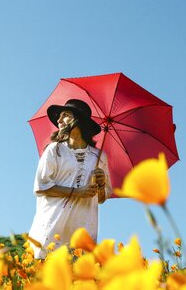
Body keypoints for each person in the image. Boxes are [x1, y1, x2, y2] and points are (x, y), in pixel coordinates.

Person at [28, 99, 112, 259]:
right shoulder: (55, 150)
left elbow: (102, 198)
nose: (59, 120)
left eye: (65, 115)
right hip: (52, 225)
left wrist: (101, 185)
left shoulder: (99, 157)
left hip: (83, 226)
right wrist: (76, 192)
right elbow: (41, 187)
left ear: (78, 120)